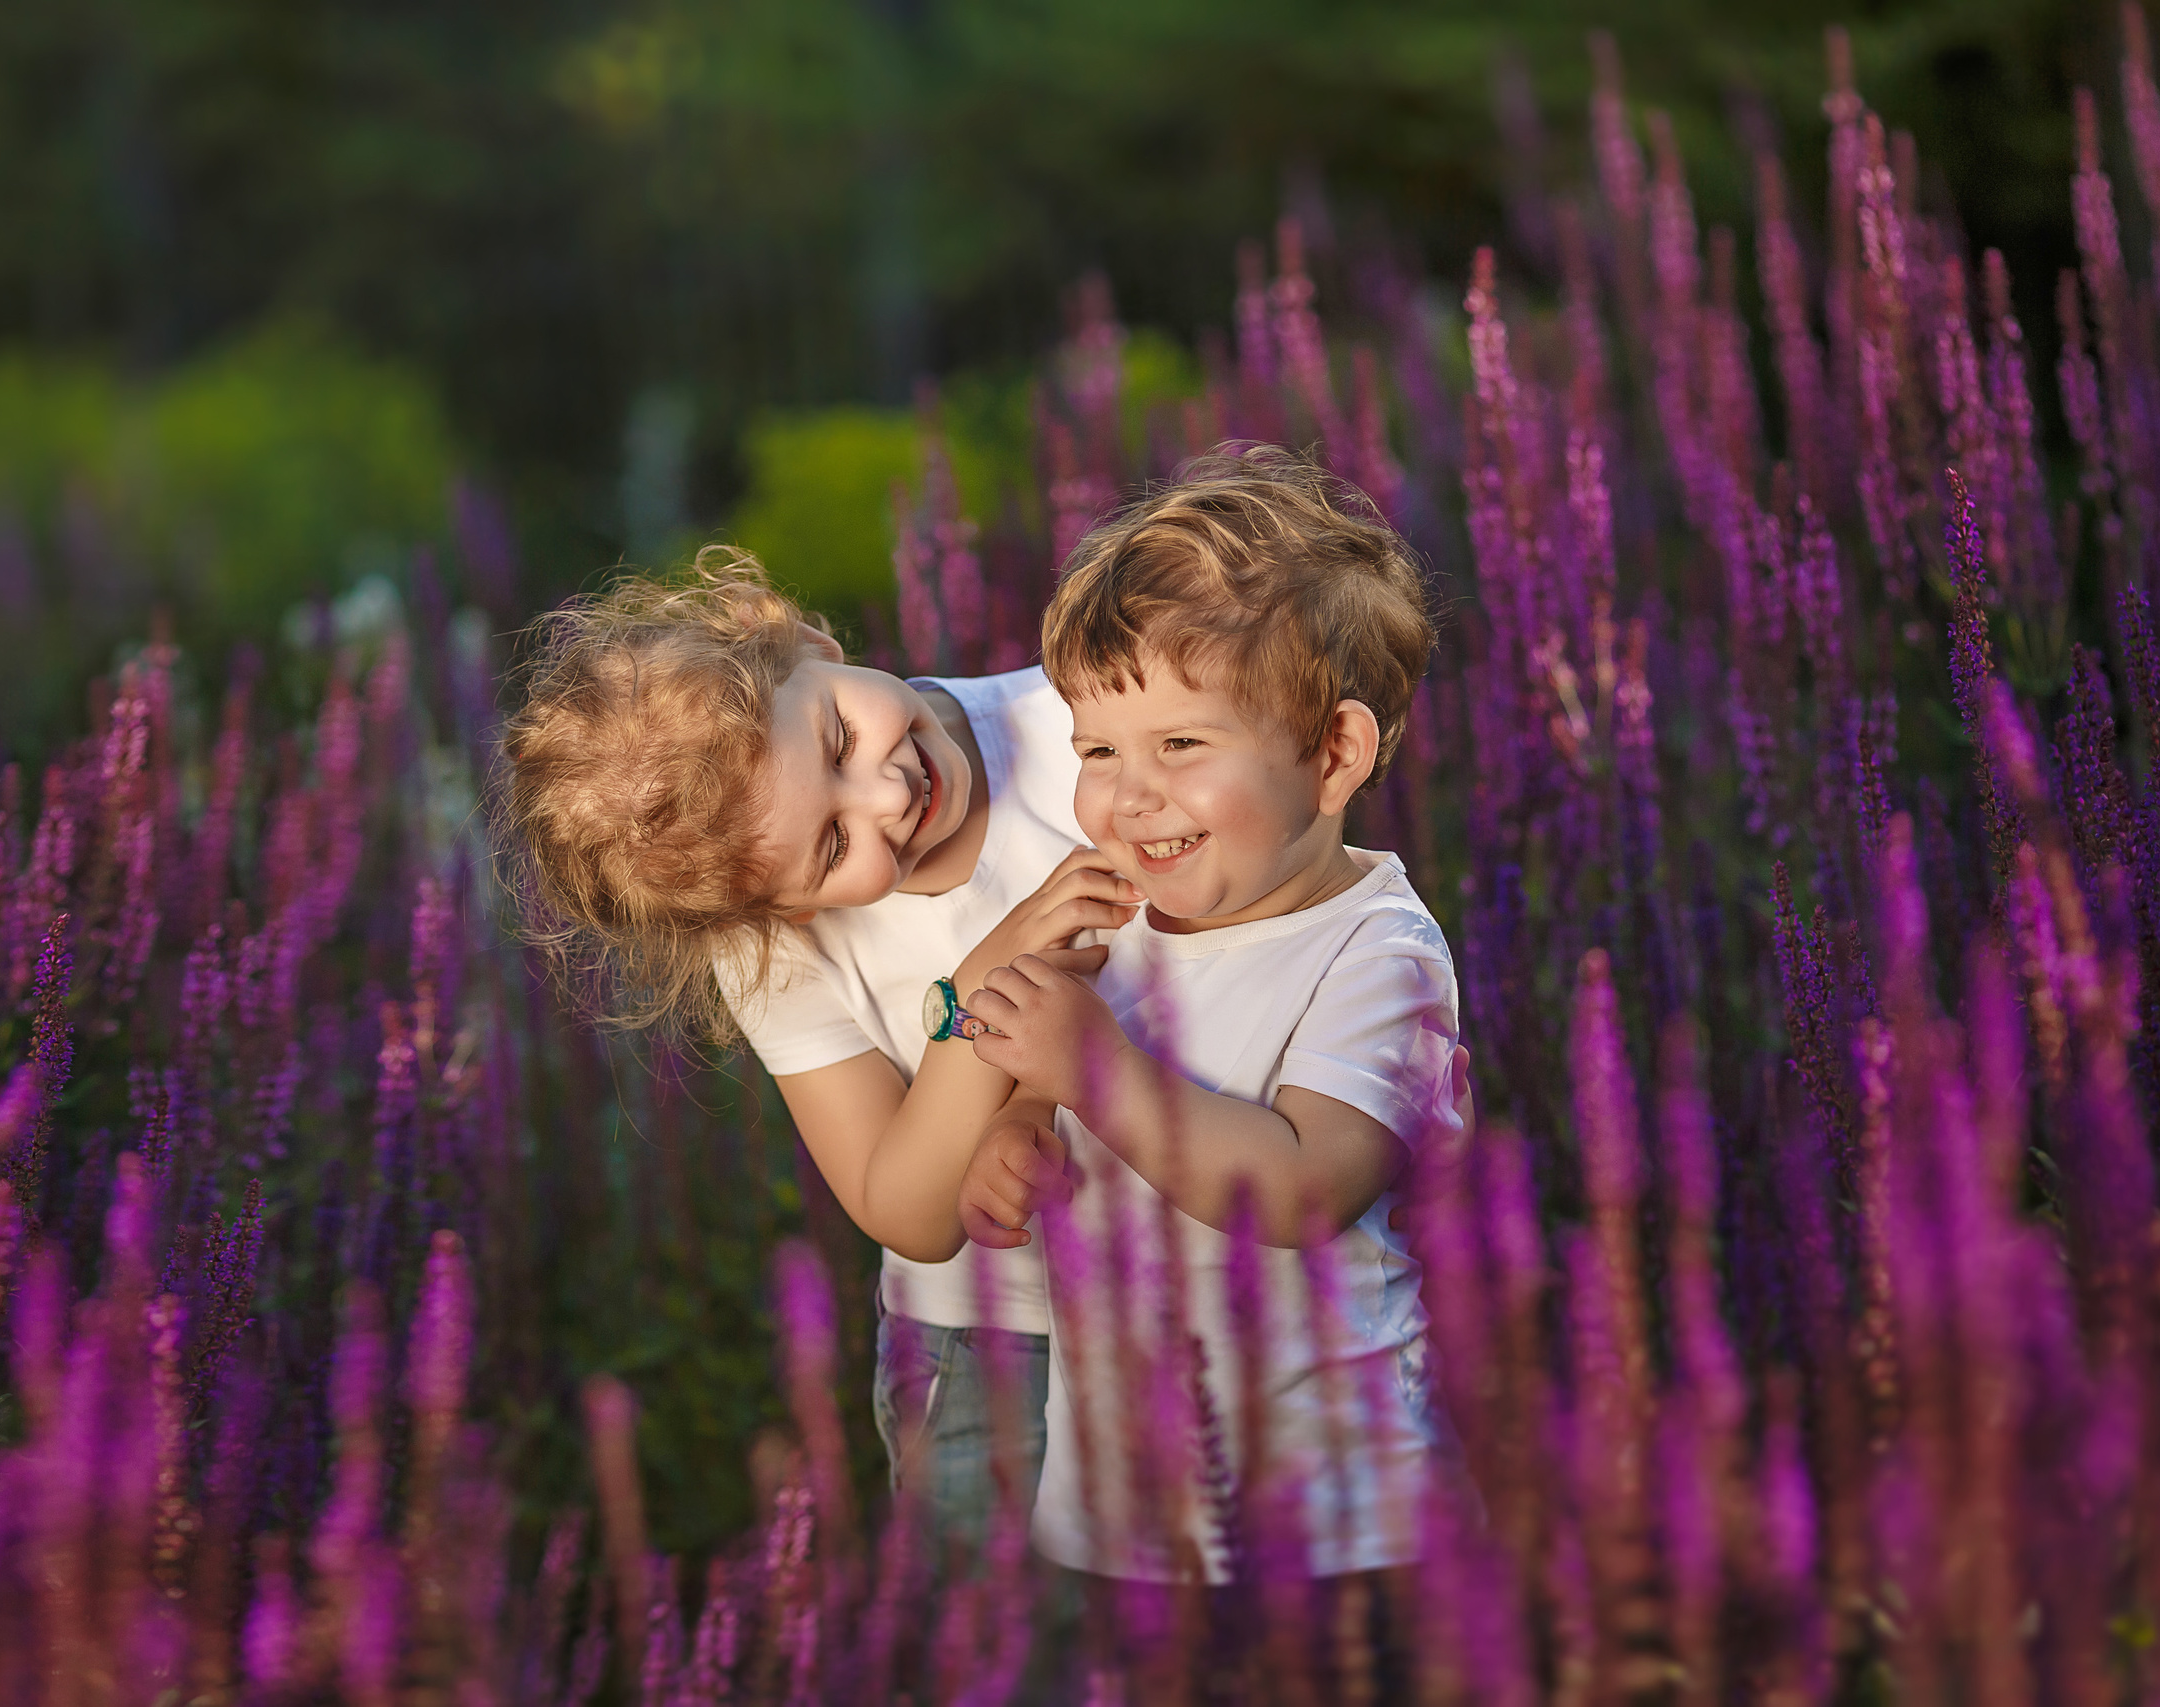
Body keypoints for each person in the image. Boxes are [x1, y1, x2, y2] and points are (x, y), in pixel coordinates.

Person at [498, 548, 1138, 1552]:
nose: (883, 798)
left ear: (797, 639)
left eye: (840, 736)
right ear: (779, 908)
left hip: (1221, 1270)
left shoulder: (1089, 729)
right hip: (991, 1344)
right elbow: (905, 1209)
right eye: (834, 848)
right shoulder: (768, 951)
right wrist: (980, 994)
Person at [947, 448, 1466, 1625]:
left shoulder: (1377, 958)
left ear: (1332, 755)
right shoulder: (1125, 922)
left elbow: (1300, 1190)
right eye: (1095, 750)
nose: (1128, 798)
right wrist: (1024, 1126)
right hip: (1128, 1521)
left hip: (1338, 1536)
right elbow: (1061, 1087)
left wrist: (1093, 1066)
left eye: (1181, 746)